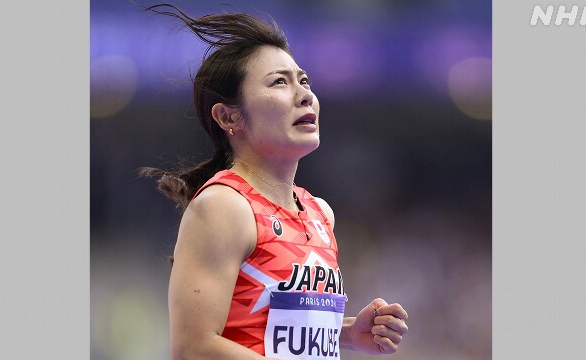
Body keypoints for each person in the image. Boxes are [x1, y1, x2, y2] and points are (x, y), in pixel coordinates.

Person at [140, 3, 408, 359]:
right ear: (228, 116)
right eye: (279, 82)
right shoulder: (224, 206)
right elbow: (193, 348)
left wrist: (345, 333)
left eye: (305, 81)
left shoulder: (319, 213)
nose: (305, 94)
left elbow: (266, 326)